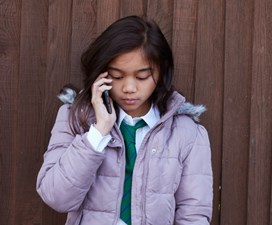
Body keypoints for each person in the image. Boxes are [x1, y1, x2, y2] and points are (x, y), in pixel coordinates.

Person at [36, 15, 213, 225]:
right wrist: (98, 132)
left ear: (161, 72)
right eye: (117, 76)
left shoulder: (187, 133)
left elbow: (193, 216)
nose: (129, 88)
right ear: (101, 74)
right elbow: (56, 197)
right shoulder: (75, 119)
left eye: (142, 77)